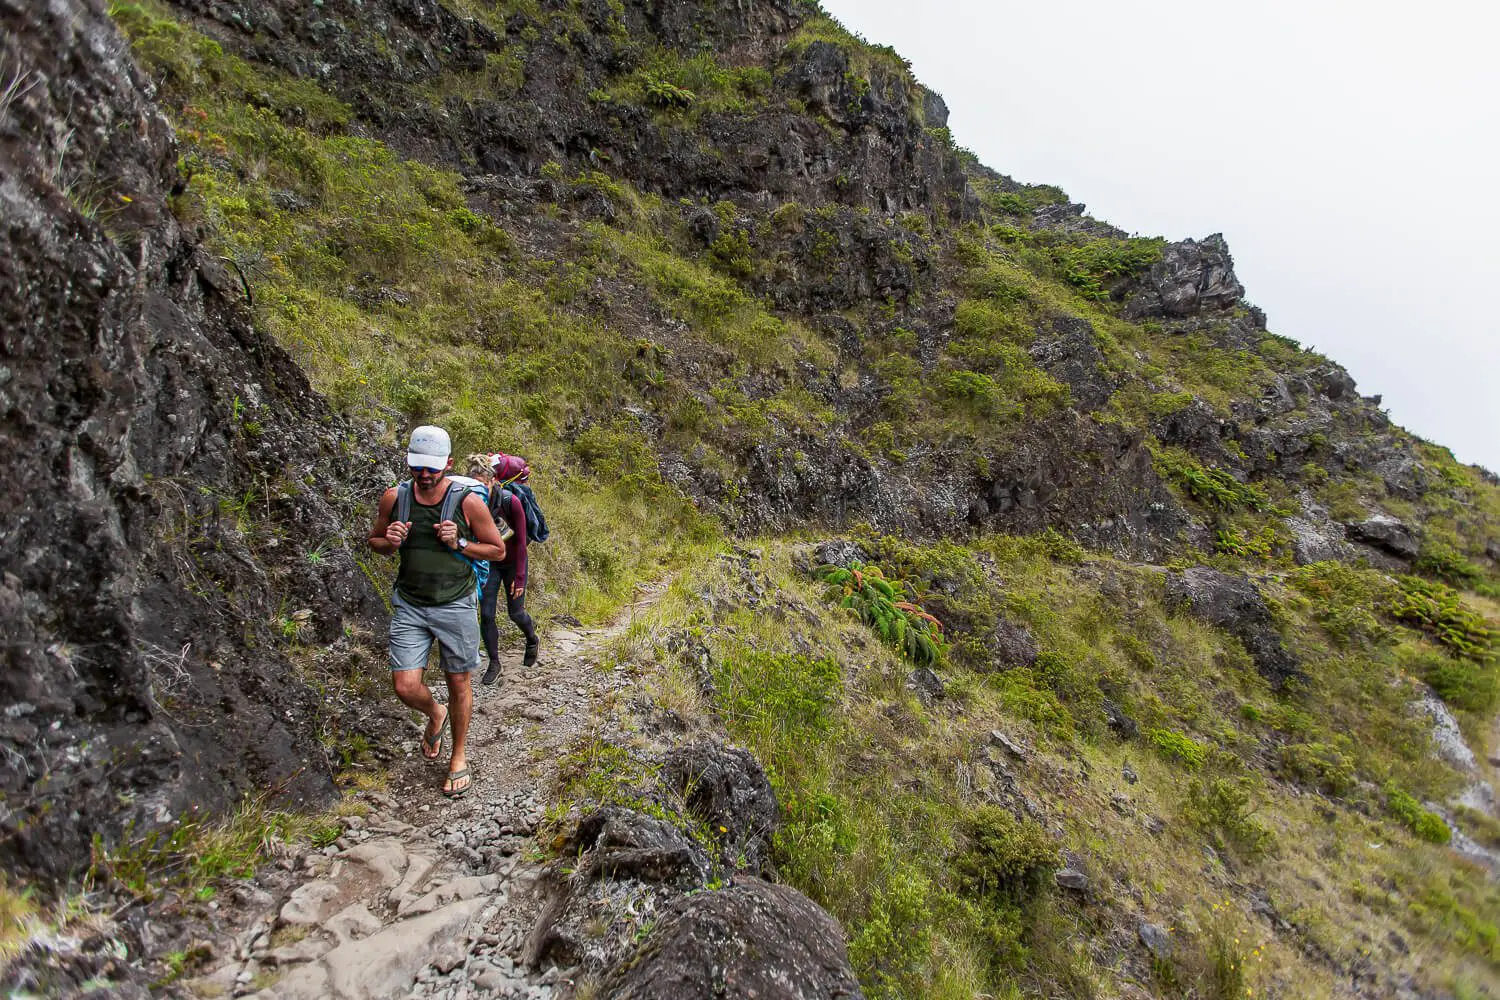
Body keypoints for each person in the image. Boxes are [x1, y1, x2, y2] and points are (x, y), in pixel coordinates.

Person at [368, 426, 506, 799]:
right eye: (418, 467)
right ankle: (435, 712)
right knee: (405, 685)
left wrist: (460, 542)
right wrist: (390, 540)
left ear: (447, 464)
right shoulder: (394, 498)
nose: (425, 475)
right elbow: (375, 542)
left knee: (458, 682)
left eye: (432, 468)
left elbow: (497, 551)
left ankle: (458, 757)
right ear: (409, 462)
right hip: (411, 603)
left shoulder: (468, 503)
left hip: (455, 603)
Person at [480, 452, 539, 685]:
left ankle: (532, 639)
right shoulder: (475, 502)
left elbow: (522, 542)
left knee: (516, 613)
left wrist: (520, 577)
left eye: (484, 481)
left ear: (493, 480)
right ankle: (494, 663)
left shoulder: (511, 502)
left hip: (514, 562)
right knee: (486, 614)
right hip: (491, 563)